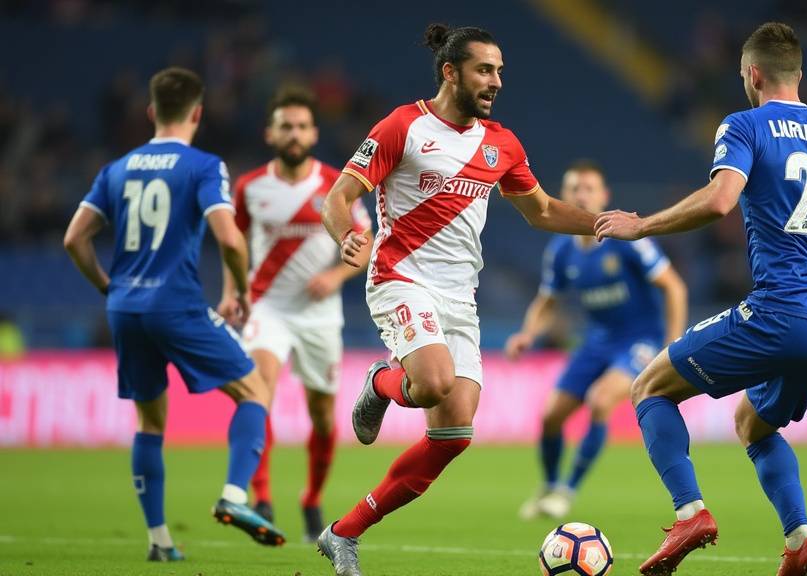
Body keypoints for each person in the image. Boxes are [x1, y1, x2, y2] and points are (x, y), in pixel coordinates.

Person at [595, 22, 807, 576]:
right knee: (754, 423)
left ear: (752, 75)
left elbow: (718, 202)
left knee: (650, 387)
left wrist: (641, 226)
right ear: (799, 75)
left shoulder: (745, 125)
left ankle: (690, 513)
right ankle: (800, 540)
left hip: (783, 310)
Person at [316, 23, 598, 576]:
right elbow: (340, 194)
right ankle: (380, 380)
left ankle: (343, 532)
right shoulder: (404, 125)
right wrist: (345, 232)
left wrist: (608, 223)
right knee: (434, 383)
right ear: (451, 72)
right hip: (400, 277)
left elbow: (541, 211)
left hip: (458, 296)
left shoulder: (502, 144)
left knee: (453, 435)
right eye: (484, 70)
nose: (495, 81)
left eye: (499, 72)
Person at [63, 67, 286, 561]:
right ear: (198, 114)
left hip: (125, 308)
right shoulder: (203, 166)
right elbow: (229, 237)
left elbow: (74, 238)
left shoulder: (115, 169)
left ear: (150, 112)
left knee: (149, 422)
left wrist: (107, 286)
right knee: (254, 390)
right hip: (176, 303)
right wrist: (238, 290)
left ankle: (160, 541)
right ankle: (233, 496)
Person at [219, 86, 374, 542]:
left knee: (323, 417)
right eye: (286, 125)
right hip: (267, 306)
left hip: (319, 314)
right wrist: (232, 292)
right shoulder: (250, 186)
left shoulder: (336, 184)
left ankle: (311, 499)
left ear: (314, 132)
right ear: (270, 133)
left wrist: (336, 278)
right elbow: (234, 248)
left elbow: (365, 243)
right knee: (257, 391)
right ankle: (262, 497)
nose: (294, 133)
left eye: (302, 126)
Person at [507, 160, 687, 520]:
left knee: (601, 400)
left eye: (589, 188)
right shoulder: (561, 251)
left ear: (604, 196)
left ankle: (567, 491)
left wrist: (672, 344)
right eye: (575, 189)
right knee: (550, 417)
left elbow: (674, 287)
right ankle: (549, 485)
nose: (582, 195)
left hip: (639, 340)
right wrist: (528, 333)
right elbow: (548, 301)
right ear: (563, 196)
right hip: (596, 342)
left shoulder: (628, 241)